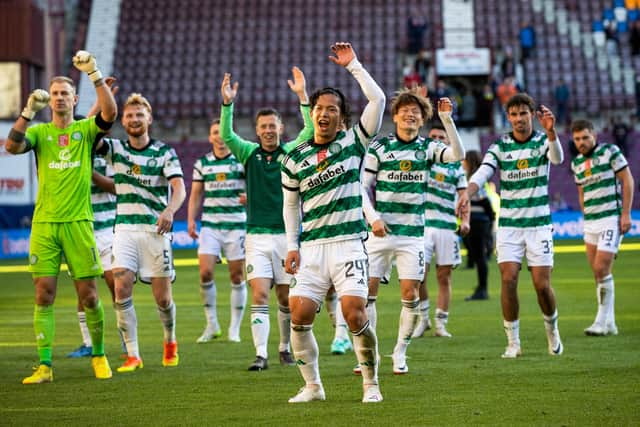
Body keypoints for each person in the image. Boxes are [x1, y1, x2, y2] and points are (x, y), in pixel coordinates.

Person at [281, 42, 386, 403]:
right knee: (299, 313)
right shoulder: (295, 158)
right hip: (311, 248)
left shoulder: (355, 144)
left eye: (331, 110)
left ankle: (371, 384)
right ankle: (312, 386)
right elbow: (291, 206)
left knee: (354, 314)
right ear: (311, 115)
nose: (323, 114)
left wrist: (354, 65)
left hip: (347, 245)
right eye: (318, 109)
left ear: (341, 118)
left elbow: (378, 102)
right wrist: (292, 245)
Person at [5, 50, 117, 383]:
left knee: (90, 295)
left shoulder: (85, 131)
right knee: (43, 294)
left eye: (64, 94)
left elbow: (109, 113)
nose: (57, 99)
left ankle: (98, 355)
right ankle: (45, 366)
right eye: (54, 94)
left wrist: (94, 73)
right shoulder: (40, 134)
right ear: (48, 100)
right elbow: (11, 147)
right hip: (45, 224)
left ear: (74, 98)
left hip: (79, 223)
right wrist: (27, 112)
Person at [457, 93, 565, 358]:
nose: (518, 119)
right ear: (508, 117)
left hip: (538, 225)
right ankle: (513, 342)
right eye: (514, 115)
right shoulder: (500, 146)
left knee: (542, 285)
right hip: (509, 227)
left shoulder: (542, 141)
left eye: (523, 114)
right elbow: (483, 172)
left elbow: (558, 159)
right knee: (508, 280)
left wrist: (551, 133)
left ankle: (552, 331)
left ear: (532, 115)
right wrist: (466, 193)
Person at [220, 66, 313, 370]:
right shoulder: (248, 153)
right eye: (263, 126)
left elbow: (311, 132)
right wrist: (227, 105)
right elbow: (226, 135)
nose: (269, 130)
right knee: (259, 293)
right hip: (257, 237)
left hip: (287, 238)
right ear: (257, 130)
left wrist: (302, 97)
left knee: (286, 299)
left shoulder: (290, 154)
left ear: (281, 128)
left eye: (273, 125)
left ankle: (284, 348)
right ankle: (261, 354)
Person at [98, 93, 186, 373]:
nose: (134, 120)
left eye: (139, 115)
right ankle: (133, 355)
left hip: (155, 231)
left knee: (163, 299)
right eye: (129, 115)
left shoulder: (164, 152)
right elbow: (89, 134)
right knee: (121, 287)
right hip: (123, 229)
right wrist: (101, 102)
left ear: (149, 119)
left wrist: (170, 210)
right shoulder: (115, 149)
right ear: (122, 120)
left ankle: (170, 341)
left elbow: (179, 188)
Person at [67, 77, 124, 358]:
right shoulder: (67, 159)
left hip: (107, 229)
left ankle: (127, 339)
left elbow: (117, 187)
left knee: (117, 285)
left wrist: (89, 172)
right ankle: (88, 344)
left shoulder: (106, 153)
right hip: (80, 229)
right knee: (84, 291)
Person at [570, 119, 634, 336]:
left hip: (611, 219)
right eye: (577, 139)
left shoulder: (610, 152)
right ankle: (611, 323)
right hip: (591, 222)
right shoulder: (576, 163)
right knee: (599, 274)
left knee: (601, 268)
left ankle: (600, 321)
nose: (582, 142)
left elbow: (627, 180)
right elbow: (581, 192)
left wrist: (625, 214)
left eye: (585, 137)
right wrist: (584, 215)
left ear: (594, 136)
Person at [188, 118, 247, 343]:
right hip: (210, 225)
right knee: (205, 273)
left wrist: (249, 196)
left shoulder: (241, 160)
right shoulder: (203, 163)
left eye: (223, 133)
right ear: (210, 137)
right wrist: (191, 220)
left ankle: (234, 328)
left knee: (236, 275)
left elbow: (255, 185)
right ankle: (212, 324)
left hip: (236, 225)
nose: (220, 137)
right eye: (215, 133)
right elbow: (195, 194)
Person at [412, 122, 469, 339]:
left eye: (441, 137)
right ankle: (423, 318)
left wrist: (466, 221)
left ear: (447, 141)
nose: (436, 139)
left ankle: (440, 323)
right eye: (433, 136)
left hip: (447, 227)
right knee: (419, 275)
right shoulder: (423, 160)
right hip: (423, 226)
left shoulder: (456, 168)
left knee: (444, 277)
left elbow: (464, 198)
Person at [462, 150, 495, 301]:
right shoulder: (473, 178)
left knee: (480, 257)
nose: (462, 163)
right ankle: (481, 287)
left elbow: (484, 200)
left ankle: (483, 289)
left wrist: (491, 218)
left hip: (477, 220)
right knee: (478, 256)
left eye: (464, 160)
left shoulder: (474, 180)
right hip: (479, 220)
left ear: (469, 161)